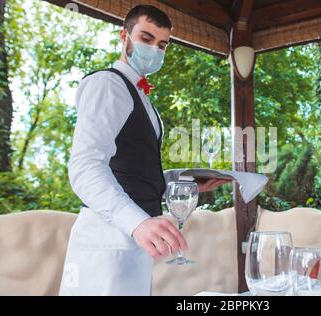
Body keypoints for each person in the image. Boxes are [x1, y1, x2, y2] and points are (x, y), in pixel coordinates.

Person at [59, 5, 228, 296]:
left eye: (162, 44)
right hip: (106, 243)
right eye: (146, 38)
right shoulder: (107, 85)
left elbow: (133, 170)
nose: (155, 49)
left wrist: (184, 181)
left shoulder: (141, 96)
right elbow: (85, 167)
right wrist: (137, 223)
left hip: (133, 243)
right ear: (124, 36)